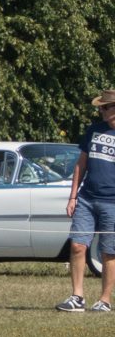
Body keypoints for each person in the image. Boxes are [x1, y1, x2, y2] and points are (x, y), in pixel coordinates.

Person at [57, 87, 115, 312]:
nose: (100, 110)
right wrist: (73, 196)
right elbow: (81, 164)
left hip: (113, 202)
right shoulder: (94, 130)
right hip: (87, 199)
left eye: (105, 106)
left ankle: (104, 300)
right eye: (100, 107)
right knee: (78, 245)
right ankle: (77, 297)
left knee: (109, 252)